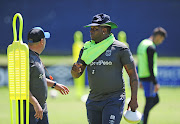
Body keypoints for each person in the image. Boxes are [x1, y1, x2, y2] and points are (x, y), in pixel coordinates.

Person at [71, 13, 139, 124]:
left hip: (114, 100)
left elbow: (133, 75)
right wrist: (74, 71)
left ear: (104, 30)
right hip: (93, 101)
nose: (91, 31)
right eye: (91, 28)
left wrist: (134, 99)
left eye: (95, 29)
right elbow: (77, 74)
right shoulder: (87, 48)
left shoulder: (120, 49)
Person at [27, 27, 70, 124]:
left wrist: (55, 85)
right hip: (31, 110)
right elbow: (22, 86)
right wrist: (35, 103)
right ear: (42, 41)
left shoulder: (34, 56)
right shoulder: (28, 59)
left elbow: (38, 78)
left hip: (40, 108)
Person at [137, 27, 167, 124]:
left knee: (155, 100)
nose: (161, 42)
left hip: (143, 76)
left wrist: (140, 79)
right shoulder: (151, 47)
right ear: (158, 36)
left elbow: (140, 63)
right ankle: (142, 121)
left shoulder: (142, 44)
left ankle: (142, 119)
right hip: (149, 79)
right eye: (161, 39)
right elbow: (150, 66)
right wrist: (155, 83)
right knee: (149, 102)